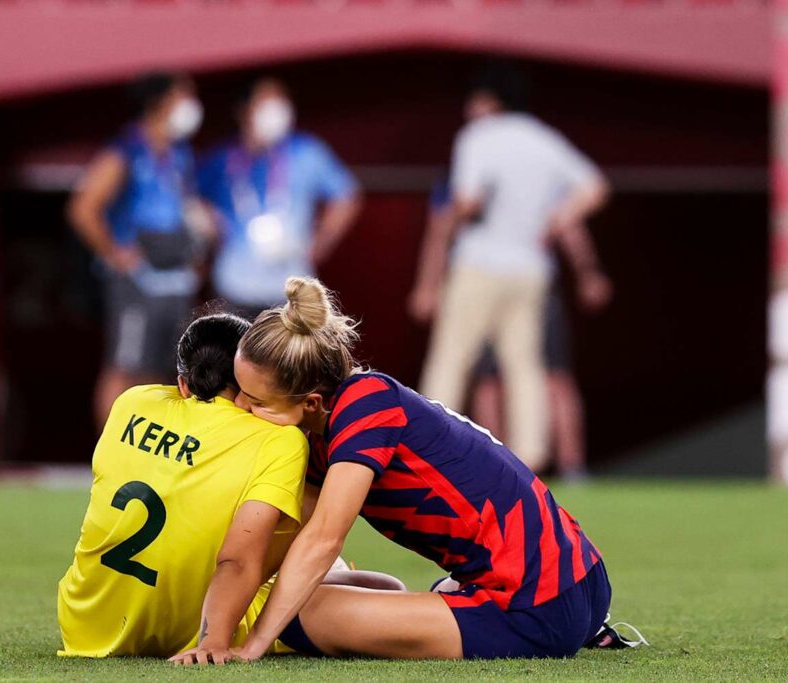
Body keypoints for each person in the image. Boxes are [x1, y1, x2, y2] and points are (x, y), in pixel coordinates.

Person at [178, 277, 621, 663]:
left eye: (254, 402)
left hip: (535, 606)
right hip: (576, 580)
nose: (239, 407)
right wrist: (215, 626)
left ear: (310, 402)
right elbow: (287, 541)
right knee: (295, 593)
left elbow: (323, 540)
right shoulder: (333, 425)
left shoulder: (365, 407)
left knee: (296, 615)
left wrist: (253, 644)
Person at [57, 313, 309, 658]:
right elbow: (237, 560)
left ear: (183, 383)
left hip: (85, 624)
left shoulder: (132, 402)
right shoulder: (279, 441)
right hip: (196, 627)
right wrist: (213, 643)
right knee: (333, 560)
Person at [413, 66, 609, 471]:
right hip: (531, 268)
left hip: (480, 263)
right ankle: (530, 453)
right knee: (525, 364)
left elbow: (466, 200)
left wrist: (453, 221)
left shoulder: (477, 137)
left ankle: (427, 446)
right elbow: (594, 187)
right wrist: (555, 220)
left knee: (452, 356)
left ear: (488, 101)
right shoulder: (543, 139)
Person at [417, 180, 613, 479]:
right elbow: (442, 227)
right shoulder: (463, 171)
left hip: (529, 282)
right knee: (487, 379)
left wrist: (587, 270)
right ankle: (493, 461)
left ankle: (566, 466)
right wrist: (429, 284)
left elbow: (569, 221)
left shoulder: (533, 171)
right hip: (480, 279)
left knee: (548, 375)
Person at [68, 72, 208, 428]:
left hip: (174, 277)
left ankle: (148, 455)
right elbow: (83, 207)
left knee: (167, 371)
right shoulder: (126, 150)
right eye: (183, 97)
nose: (191, 106)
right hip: (138, 280)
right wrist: (114, 251)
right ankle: (109, 455)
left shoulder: (179, 153)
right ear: (161, 102)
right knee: (126, 365)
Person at [198, 77, 362, 319]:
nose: (277, 109)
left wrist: (322, 241)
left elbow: (347, 195)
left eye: (281, 101)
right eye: (267, 102)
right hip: (235, 286)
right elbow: (190, 198)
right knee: (234, 355)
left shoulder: (306, 151)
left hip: (291, 289)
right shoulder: (222, 158)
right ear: (245, 110)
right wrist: (211, 229)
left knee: (288, 357)